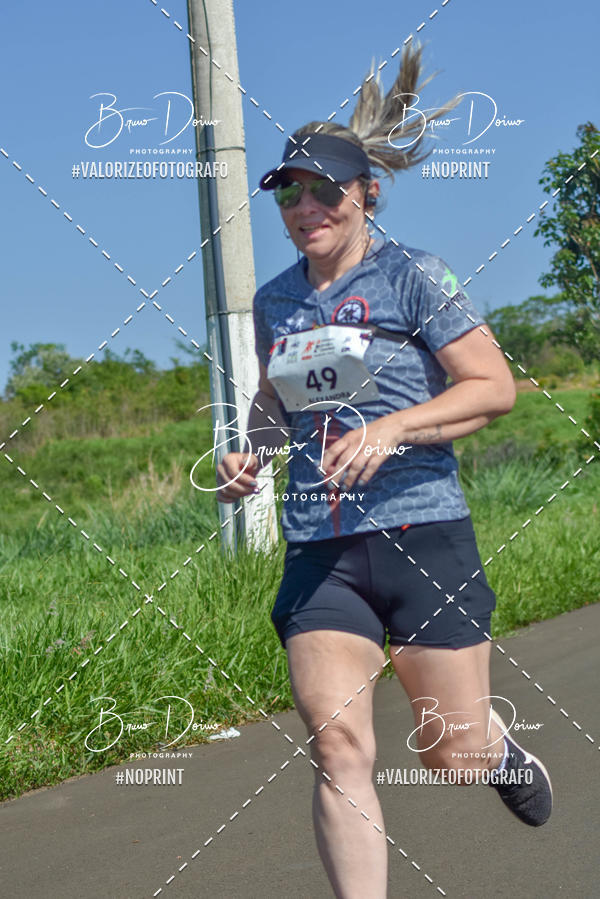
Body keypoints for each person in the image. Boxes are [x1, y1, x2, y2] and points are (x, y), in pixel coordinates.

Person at [216, 45, 552, 899]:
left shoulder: (414, 276)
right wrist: (248, 447)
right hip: (321, 548)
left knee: (453, 758)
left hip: (422, 531)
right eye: (288, 191)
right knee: (339, 747)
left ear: (366, 192)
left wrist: (397, 427)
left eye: (323, 187)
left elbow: (494, 388)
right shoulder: (279, 299)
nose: (304, 205)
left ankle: (494, 744)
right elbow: (276, 399)